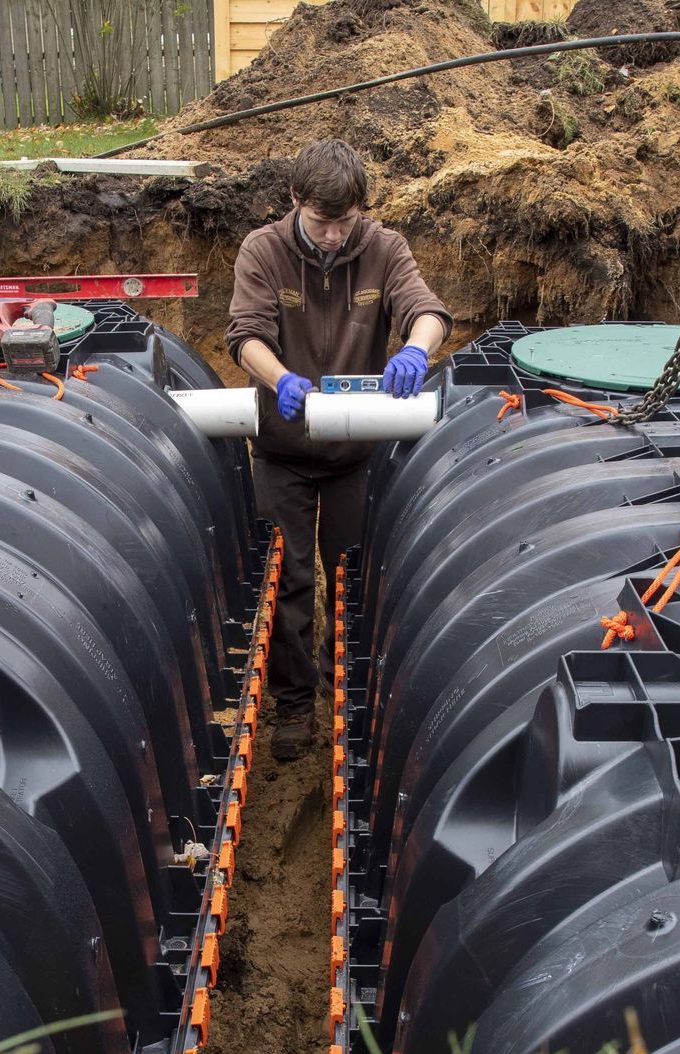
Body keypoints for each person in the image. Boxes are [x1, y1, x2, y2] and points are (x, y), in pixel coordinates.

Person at [225, 140, 452, 762]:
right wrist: (280, 380)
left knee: (352, 576)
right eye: (321, 222)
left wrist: (415, 350)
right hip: (284, 449)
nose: (332, 236)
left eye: (343, 222)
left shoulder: (384, 248)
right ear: (295, 201)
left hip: (356, 454)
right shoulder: (263, 250)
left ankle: (346, 695)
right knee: (291, 580)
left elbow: (424, 310)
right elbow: (245, 336)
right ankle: (295, 705)